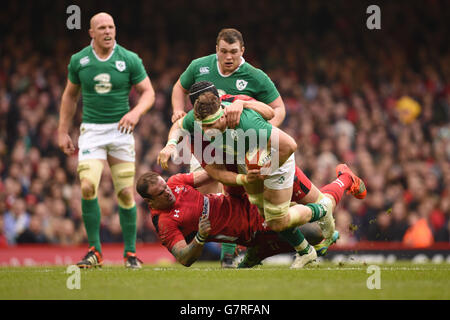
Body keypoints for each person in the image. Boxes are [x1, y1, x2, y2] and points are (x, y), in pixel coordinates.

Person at [158, 87, 365, 268]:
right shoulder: (199, 121)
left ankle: (340, 186)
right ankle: (301, 250)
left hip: (274, 161)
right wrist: (170, 145)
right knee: (266, 216)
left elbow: (282, 131)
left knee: (288, 216)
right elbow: (206, 161)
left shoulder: (242, 115)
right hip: (249, 169)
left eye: (208, 127)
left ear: (220, 110)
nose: (204, 131)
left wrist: (247, 108)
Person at [171, 28, 286, 267]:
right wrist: (177, 110)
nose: (228, 57)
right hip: (207, 141)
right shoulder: (200, 66)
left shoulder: (255, 76)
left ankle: (232, 254)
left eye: (233, 51)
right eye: (223, 51)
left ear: (242, 51)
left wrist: (263, 135)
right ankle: (193, 245)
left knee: (248, 195)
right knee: (208, 192)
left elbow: (279, 109)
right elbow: (179, 88)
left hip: (242, 144)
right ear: (216, 50)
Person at [57, 12, 155, 269]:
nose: (108, 32)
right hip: (92, 130)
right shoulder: (79, 60)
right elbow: (69, 97)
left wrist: (135, 112)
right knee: (88, 186)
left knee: (124, 192)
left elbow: (148, 93)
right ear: (91, 32)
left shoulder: (129, 59)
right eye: (102, 28)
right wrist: (62, 130)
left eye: (111, 27)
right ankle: (95, 251)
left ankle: (130, 253)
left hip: (121, 132)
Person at [135, 163, 365, 268]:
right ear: (150, 201)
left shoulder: (175, 183)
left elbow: (209, 174)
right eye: (161, 193)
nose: (168, 191)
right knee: (315, 233)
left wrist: (232, 167)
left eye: (165, 186)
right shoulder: (164, 222)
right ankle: (344, 180)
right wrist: (200, 238)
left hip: (243, 199)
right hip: (247, 229)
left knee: (310, 223)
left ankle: (343, 180)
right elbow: (184, 258)